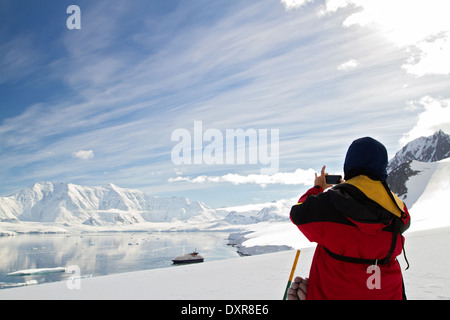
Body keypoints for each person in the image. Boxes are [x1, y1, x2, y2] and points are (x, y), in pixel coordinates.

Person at [289, 137, 410, 300]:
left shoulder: (331, 204)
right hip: (388, 292)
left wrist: (318, 188)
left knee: (297, 290)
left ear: (348, 166)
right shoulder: (397, 210)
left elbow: (298, 213)